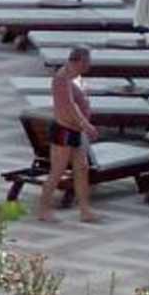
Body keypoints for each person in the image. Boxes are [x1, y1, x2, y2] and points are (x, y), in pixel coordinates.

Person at [38, 46, 103, 224]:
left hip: (76, 131)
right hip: (64, 130)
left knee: (82, 169)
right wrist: (86, 125)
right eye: (87, 62)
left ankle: (85, 210)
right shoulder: (62, 78)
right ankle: (43, 209)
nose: (89, 65)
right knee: (57, 171)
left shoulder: (76, 77)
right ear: (79, 61)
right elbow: (70, 106)